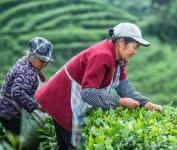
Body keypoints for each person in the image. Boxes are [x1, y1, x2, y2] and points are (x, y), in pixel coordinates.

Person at [35, 22, 163, 150]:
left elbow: (123, 86)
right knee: (73, 146)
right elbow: (88, 94)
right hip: (62, 100)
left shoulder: (118, 60)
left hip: (69, 100)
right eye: (135, 47)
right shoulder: (102, 55)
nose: (135, 52)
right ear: (122, 42)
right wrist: (120, 102)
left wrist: (147, 104)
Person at [0, 37, 53, 136]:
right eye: (42, 61)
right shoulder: (25, 71)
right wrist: (37, 106)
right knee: (19, 141)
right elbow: (17, 93)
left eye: (47, 61)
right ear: (31, 56)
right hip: (9, 112)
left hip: (10, 109)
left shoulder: (29, 63)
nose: (45, 63)